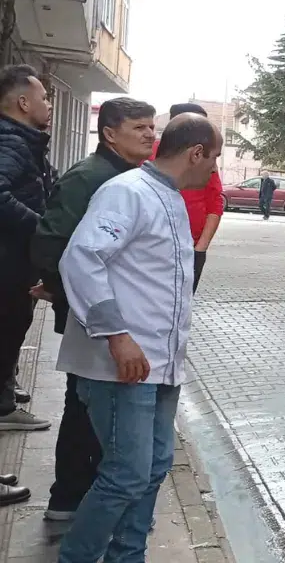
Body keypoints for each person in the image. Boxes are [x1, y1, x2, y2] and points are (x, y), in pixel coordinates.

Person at [55, 113, 221, 563]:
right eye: (215, 159)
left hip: (160, 366)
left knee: (151, 469)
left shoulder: (169, 198)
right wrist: (116, 334)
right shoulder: (126, 193)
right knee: (125, 474)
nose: (214, 170)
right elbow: (82, 258)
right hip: (121, 366)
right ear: (195, 153)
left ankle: (127, 556)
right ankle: (77, 557)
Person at [30, 97, 156, 521]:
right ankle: (69, 497)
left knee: (93, 407)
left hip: (107, 313)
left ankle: (79, 496)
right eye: (139, 127)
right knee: (84, 407)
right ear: (109, 134)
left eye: (151, 127)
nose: (149, 135)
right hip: (94, 318)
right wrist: (61, 291)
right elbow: (51, 242)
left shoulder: (126, 177)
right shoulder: (92, 178)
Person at [0, 64, 54, 444]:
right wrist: (42, 228)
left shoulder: (23, 140)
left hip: (16, 261)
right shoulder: (10, 142)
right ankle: (3, 409)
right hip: (7, 264)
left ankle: (4, 395)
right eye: (44, 98)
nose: (49, 105)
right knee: (6, 330)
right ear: (23, 102)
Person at [150, 102, 223, 293]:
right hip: (158, 252)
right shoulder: (134, 186)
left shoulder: (206, 163)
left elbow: (215, 203)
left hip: (191, 248)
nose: (214, 167)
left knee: (181, 303)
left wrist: (200, 248)